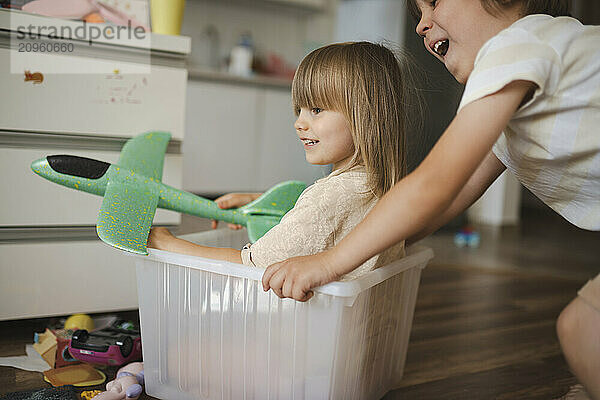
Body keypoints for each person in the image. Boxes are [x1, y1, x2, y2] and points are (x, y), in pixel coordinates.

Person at [259, 1, 600, 397]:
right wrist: (354, 247)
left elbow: (433, 184)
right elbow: (445, 202)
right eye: (417, 12)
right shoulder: (511, 109)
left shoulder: (519, 44)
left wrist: (330, 261)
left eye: (434, 2)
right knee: (585, 325)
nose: (422, 25)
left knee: (581, 328)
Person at [147, 41, 421, 281]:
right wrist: (262, 203)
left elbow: (253, 266)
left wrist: (167, 243)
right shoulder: (383, 190)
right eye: (299, 110)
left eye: (316, 110)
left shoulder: (328, 198)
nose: (299, 123)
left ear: (365, 115)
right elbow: (330, 223)